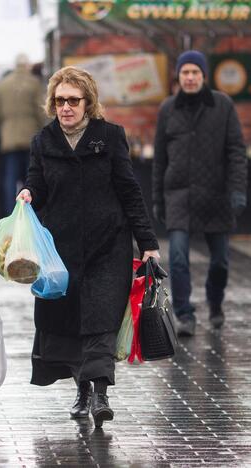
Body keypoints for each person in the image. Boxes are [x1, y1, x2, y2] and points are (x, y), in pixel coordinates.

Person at [17, 66, 160, 428]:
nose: (66, 107)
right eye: (60, 100)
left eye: (73, 100)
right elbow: (37, 183)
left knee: (100, 318)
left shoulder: (110, 137)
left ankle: (99, 393)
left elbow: (130, 190)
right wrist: (29, 193)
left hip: (107, 244)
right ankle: (82, 387)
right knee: (67, 322)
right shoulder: (43, 141)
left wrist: (148, 244)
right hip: (60, 250)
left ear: (87, 102)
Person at [153, 50, 247, 337]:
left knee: (220, 260)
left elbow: (236, 151)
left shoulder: (223, 104)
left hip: (216, 195)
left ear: (203, 76)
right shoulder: (168, 108)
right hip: (179, 195)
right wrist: (158, 197)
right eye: (185, 73)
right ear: (178, 77)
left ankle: (215, 302)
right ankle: (184, 314)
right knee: (178, 257)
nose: (190, 77)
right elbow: (160, 158)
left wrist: (237, 190)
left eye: (195, 72)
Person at [0, 54, 45, 218]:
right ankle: (31, 215)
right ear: (27, 65)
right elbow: (40, 110)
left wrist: (2, 129)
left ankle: (10, 214)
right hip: (30, 137)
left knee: (10, 180)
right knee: (31, 179)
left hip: (9, 138)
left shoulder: (2, 85)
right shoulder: (34, 83)